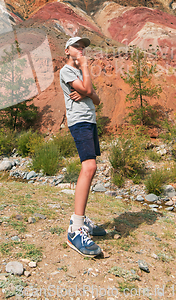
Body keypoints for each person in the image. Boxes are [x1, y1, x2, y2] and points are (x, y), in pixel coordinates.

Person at [59, 36, 106, 257]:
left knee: (90, 167)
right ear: (67, 50)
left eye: (83, 47)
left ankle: (80, 219)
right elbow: (88, 89)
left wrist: (88, 92)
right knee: (89, 167)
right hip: (79, 122)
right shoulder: (67, 72)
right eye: (77, 46)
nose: (81, 49)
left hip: (89, 121)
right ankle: (76, 229)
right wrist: (86, 74)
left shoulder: (78, 73)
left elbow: (96, 99)